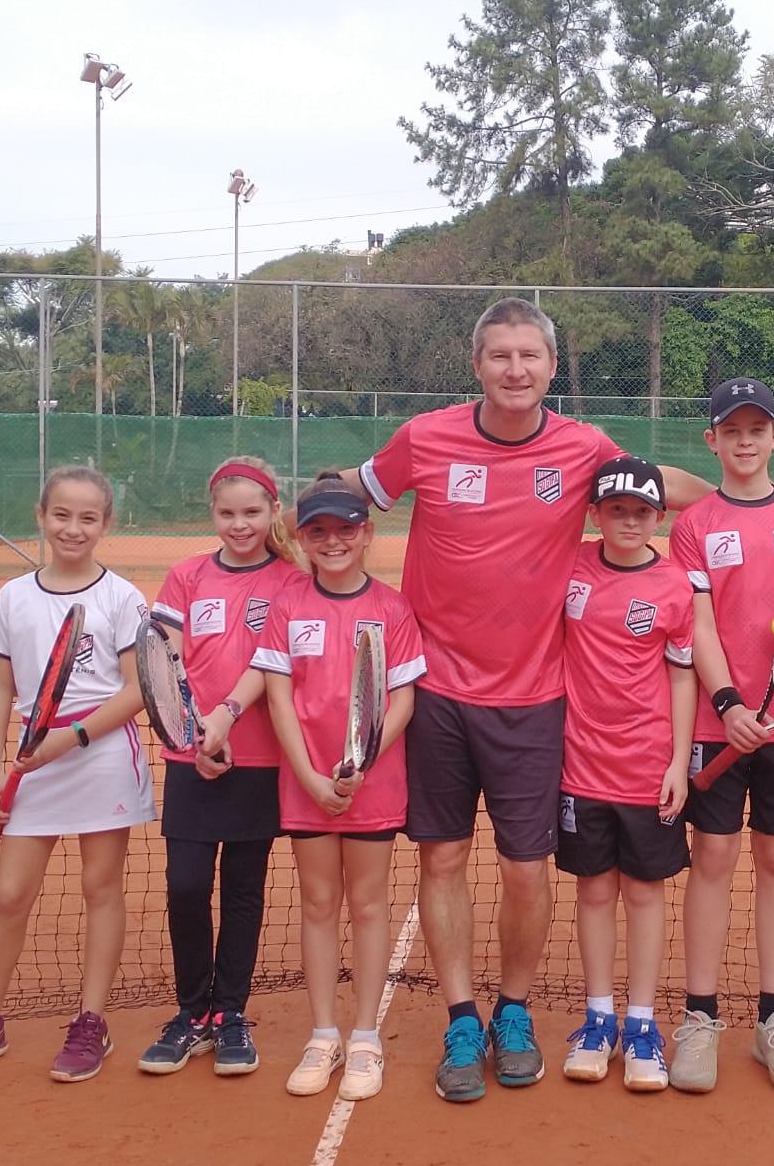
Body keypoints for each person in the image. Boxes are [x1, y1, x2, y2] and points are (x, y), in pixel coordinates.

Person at [340, 298, 710, 1103]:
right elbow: (355, 493)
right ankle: (461, 1017)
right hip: (434, 692)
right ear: (477, 364)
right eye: (500, 356)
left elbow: (660, 487)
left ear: (550, 366)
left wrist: (732, 490)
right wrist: (276, 510)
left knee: (524, 869)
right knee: (440, 858)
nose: (515, 369)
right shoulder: (427, 438)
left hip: (535, 700)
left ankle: (513, 1010)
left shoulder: (584, 448)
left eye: (529, 357)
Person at [0, 464, 154, 1083]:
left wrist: (72, 738)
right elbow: (0, 685)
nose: (74, 528)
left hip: (99, 756)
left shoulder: (122, 597)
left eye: (88, 518)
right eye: (62, 515)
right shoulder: (13, 596)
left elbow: (136, 692)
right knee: (10, 895)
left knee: (102, 890)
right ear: (40, 517)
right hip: (31, 759)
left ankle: (91, 1021)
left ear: (106, 525)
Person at [666, 378, 774, 1094]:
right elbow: (696, 623)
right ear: (711, 440)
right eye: (729, 429)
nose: (743, 439)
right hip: (718, 724)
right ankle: (700, 1018)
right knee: (711, 861)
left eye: (756, 427)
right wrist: (731, 701)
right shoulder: (694, 525)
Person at [253, 472, 426, 1101]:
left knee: (369, 905)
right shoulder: (287, 605)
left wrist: (362, 759)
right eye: (318, 531)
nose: (332, 541)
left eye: (345, 529)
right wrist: (309, 776)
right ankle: (322, 1033)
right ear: (301, 538)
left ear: (367, 534)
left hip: (372, 785)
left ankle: (364, 1038)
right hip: (306, 786)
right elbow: (278, 698)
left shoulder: (391, 607)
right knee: (319, 905)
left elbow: (401, 696)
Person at [137, 457, 302, 1078]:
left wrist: (227, 719)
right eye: (228, 513)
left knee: (242, 892)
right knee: (184, 886)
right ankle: (190, 1012)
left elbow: (271, 661)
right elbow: (162, 660)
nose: (240, 524)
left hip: (259, 758)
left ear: (272, 511)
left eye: (252, 512)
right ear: (212, 513)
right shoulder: (185, 576)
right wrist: (194, 731)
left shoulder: (291, 578)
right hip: (190, 755)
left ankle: (228, 1014)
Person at [557, 456, 695, 1093]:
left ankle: (642, 1024)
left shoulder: (673, 586)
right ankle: (598, 1018)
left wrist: (677, 761)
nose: (630, 521)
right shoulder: (572, 566)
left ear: (659, 518)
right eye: (617, 510)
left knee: (643, 893)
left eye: (643, 512)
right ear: (595, 515)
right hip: (580, 767)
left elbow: (681, 674)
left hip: (646, 769)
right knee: (592, 892)